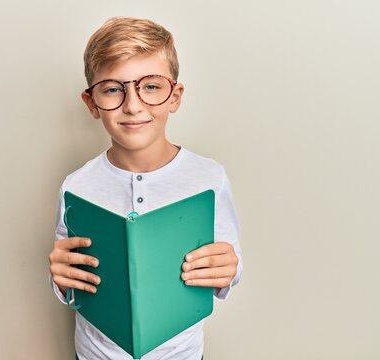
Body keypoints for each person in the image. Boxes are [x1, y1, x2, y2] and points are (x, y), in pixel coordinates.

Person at [48, 17, 243, 360]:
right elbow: (71, 281)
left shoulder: (209, 178)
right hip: (95, 354)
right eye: (112, 89)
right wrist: (61, 281)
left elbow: (229, 264)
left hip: (180, 354)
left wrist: (231, 268)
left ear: (174, 96)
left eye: (150, 86)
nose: (133, 105)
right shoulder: (76, 186)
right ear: (92, 103)